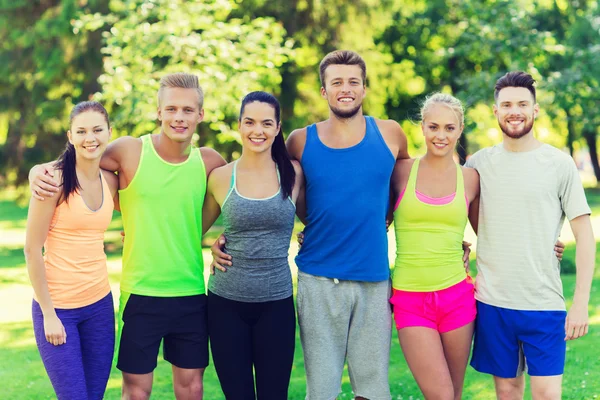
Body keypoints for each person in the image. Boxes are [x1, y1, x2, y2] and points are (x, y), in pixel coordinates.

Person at [29, 73, 226, 400]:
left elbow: (232, 202)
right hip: (140, 293)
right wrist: (41, 170)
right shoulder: (129, 151)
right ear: (158, 111)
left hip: (190, 292)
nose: (179, 117)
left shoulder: (210, 162)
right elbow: (80, 159)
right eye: (172, 109)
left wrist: (224, 240)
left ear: (200, 114)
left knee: (191, 388)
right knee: (135, 392)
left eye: (188, 110)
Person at [286, 50, 407, 399]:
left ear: (365, 88)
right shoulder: (300, 140)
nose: (345, 89)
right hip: (319, 280)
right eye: (336, 82)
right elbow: (279, 195)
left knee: (372, 390)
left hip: (373, 280)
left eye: (353, 82)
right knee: (321, 390)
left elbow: (409, 190)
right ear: (323, 91)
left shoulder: (390, 135)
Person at [466, 71, 595, 400]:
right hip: (493, 302)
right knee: (507, 392)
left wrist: (580, 303)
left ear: (535, 110)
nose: (515, 111)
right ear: (495, 111)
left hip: (544, 303)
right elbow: (451, 213)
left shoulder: (559, 164)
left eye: (523, 104)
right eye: (506, 104)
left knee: (546, 395)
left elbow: (583, 233)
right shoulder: (478, 164)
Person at [204, 91, 304, 399]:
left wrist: (382, 218)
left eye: (265, 123)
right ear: (239, 125)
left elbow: (319, 220)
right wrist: (212, 244)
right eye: (249, 122)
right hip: (225, 304)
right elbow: (193, 228)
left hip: (276, 303)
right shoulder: (221, 177)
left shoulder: (294, 173)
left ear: (277, 128)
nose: (257, 131)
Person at [24, 101, 119, 400]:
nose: (90, 138)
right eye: (81, 131)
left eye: (96, 130)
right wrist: (49, 315)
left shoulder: (111, 182)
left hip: (100, 307)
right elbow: (31, 250)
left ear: (109, 132)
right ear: (70, 136)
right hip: (58, 309)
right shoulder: (52, 180)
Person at [390, 93, 478, 400]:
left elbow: (491, 235)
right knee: (440, 394)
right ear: (422, 127)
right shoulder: (401, 172)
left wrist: (549, 244)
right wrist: (316, 233)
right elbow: (371, 221)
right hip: (410, 300)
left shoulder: (470, 179)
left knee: (453, 393)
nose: (441, 136)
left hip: (457, 297)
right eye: (433, 127)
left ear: (460, 129)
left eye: (450, 128)